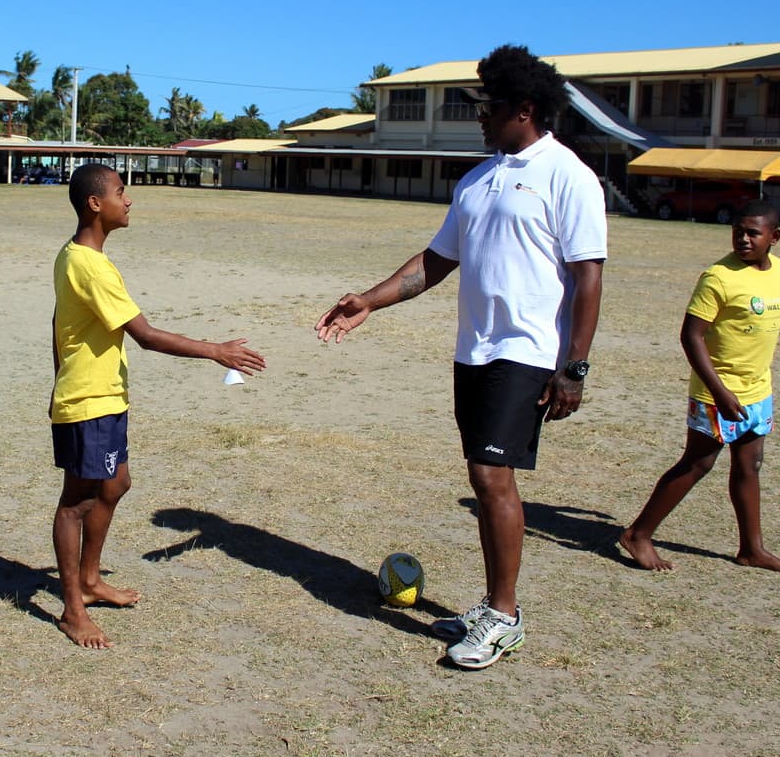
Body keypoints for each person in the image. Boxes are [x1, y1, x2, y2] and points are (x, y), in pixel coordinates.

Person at [314, 45, 607, 669]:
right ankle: (490, 605)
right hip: (473, 351)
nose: (480, 116)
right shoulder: (478, 179)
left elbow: (588, 278)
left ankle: (503, 616)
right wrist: (369, 300)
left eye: (490, 106)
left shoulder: (567, 174)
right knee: (482, 470)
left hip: (526, 352)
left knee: (490, 476)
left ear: (525, 109)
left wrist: (574, 366)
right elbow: (436, 261)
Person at [51, 163, 267, 649]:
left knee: (116, 483)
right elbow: (145, 337)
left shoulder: (77, 257)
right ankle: (71, 608)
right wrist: (217, 351)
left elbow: (56, 322)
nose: (128, 201)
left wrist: (57, 372)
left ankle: (89, 579)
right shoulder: (89, 265)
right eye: (121, 193)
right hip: (88, 400)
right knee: (76, 502)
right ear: (95, 204)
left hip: (103, 394)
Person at [621, 201, 780, 572]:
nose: (742, 238)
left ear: (774, 237)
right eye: (738, 230)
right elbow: (691, 336)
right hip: (718, 391)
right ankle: (638, 534)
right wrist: (720, 392)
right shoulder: (719, 277)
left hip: (758, 390)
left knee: (749, 464)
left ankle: (751, 548)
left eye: (752, 233)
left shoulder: (775, 274)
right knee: (698, 462)